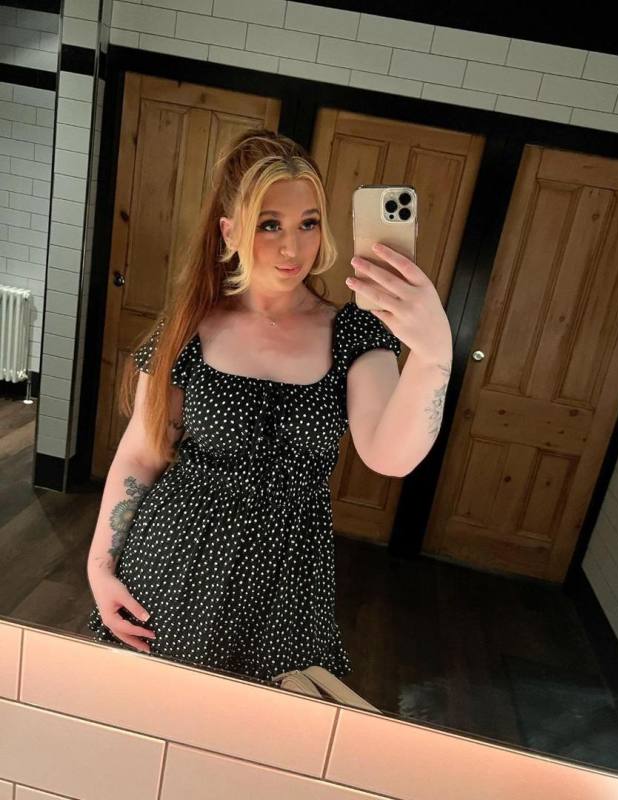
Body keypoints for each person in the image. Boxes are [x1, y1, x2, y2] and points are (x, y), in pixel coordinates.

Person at [85, 128, 406, 681]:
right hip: (174, 564)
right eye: (269, 225)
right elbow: (141, 453)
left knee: (267, 723)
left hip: (289, 579)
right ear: (230, 231)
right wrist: (99, 566)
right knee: (151, 711)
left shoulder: (355, 333)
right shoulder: (188, 329)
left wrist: (431, 348)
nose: (292, 248)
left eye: (308, 223)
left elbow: (391, 452)